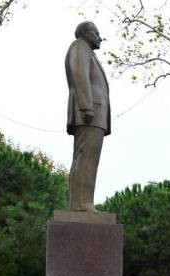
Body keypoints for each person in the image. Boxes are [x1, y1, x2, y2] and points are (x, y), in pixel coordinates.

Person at [65, 21, 111, 212]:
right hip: (89, 113)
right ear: (86, 33)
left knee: (89, 158)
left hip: (95, 114)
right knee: (86, 157)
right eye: (97, 33)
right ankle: (82, 203)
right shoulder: (79, 47)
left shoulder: (88, 52)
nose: (100, 38)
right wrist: (86, 107)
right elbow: (79, 75)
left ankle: (83, 201)